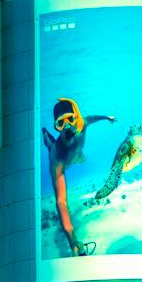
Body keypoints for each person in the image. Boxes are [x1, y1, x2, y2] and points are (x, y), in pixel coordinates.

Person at [42, 98, 116, 257]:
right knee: (50, 146)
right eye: (61, 123)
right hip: (64, 161)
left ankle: (75, 157)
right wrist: (72, 241)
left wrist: (106, 118)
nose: (67, 125)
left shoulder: (82, 125)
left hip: (74, 156)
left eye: (70, 118)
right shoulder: (57, 159)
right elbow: (61, 202)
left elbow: (91, 118)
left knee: (77, 156)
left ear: (76, 118)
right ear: (57, 126)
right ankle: (45, 134)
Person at [86, 102, 142, 206]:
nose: (134, 130)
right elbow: (118, 164)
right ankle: (106, 188)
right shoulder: (126, 151)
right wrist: (109, 186)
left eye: (137, 128)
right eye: (131, 130)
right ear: (129, 134)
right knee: (114, 180)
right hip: (126, 162)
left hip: (140, 153)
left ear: (140, 129)